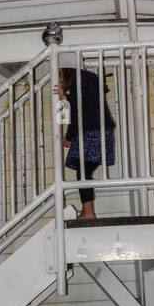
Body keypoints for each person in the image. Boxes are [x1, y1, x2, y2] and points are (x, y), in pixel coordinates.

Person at [55, 67, 116, 222]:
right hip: (96, 132)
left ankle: (88, 212)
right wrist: (63, 97)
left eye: (60, 76)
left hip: (93, 133)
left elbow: (73, 113)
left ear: (67, 71)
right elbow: (71, 114)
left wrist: (69, 136)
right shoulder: (86, 80)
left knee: (83, 172)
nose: (60, 80)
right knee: (83, 171)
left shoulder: (80, 81)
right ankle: (87, 211)